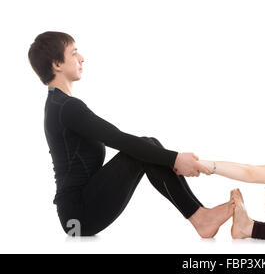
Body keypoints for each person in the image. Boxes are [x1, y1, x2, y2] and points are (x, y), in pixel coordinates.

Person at [28, 31, 234, 237]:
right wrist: (176, 159)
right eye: (74, 53)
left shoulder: (59, 104)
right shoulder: (66, 107)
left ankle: (201, 216)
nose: (81, 58)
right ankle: (201, 218)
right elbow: (117, 139)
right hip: (79, 217)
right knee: (142, 148)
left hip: (79, 212)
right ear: (57, 64)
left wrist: (174, 159)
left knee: (147, 145)